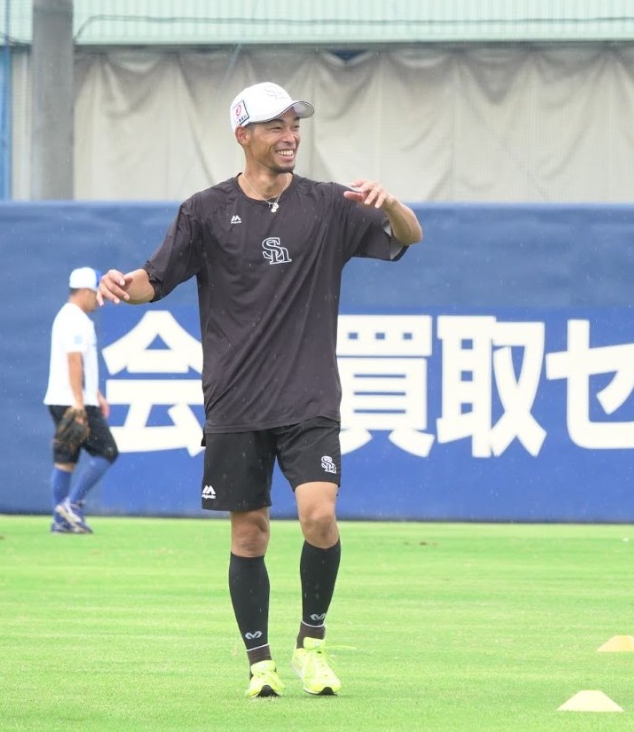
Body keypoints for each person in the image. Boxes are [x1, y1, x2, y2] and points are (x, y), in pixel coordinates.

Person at [97, 81, 423, 699]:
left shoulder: (329, 204)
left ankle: (313, 644)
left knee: (318, 515)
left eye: (294, 124)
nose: (290, 135)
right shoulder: (205, 210)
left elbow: (408, 238)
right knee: (250, 534)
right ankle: (260, 663)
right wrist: (123, 283)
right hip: (236, 401)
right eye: (275, 126)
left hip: (309, 398)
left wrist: (392, 205)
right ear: (243, 135)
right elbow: (154, 279)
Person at [44, 266, 120, 534]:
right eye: (96, 291)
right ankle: (72, 505)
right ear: (87, 291)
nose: (99, 297)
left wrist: (96, 393)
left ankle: (60, 520)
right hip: (75, 400)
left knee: (66, 460)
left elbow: (80, 363)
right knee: (107, 451)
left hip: (61, 397)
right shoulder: (75, 319)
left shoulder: (67, 316)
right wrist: (80, 401)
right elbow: (74, 360)